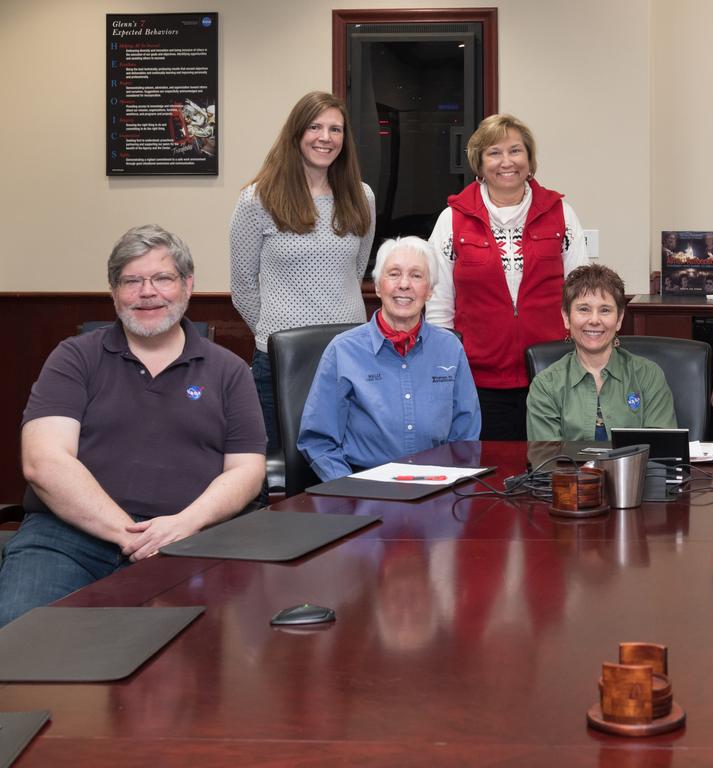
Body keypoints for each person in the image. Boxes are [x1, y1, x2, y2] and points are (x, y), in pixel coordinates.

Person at [0, 225, 266, 627]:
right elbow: (43, 460)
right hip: (66, 540)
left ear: (187, 284)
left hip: (190, 540)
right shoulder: (73, 359)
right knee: (21, 640)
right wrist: (130, 535)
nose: (147, 292)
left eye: (162, 278)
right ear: (113, 291)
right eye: (132, 281)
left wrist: (183, 525)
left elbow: (247, 471)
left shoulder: (228, 370)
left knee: (192, 659)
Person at [426, 113, 588, 441]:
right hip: (477, 381)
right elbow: (438, 306)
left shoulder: (560, 214)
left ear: (529, 160)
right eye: (494, 152)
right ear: (479, 162)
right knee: (489, 474)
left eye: (515, 151)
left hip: (553, 375)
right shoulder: (452, 219)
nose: (506, 162)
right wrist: (445, 373)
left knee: (552, 473)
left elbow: (582, 295)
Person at [230, 91, 376, 454]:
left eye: (335, 129)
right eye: (315, 127)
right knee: (279, 470)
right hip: (283, 361)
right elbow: (243, 287)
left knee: (347, 468)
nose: (325, 138)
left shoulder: (362, 197)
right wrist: (275, 335)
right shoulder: (257, 199)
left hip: (349, 356)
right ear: (296, 133)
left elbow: (355, 272)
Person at [298, 236, 481, 482]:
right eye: (394, 274)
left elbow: (465, 436)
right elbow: (318, 441)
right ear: (377, 286)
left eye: (417, 276)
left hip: (437, 489)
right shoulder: (342, 351)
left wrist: (450, 489)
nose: (404, 284)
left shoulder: (450, 348)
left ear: (430, 290)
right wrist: (349, 490)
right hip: (363, 489)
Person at [527, 265, 677, 441]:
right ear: (566, 317)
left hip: (636, 470)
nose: (595, 320)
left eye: (605, 310)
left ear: (619, 319)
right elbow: (546, 460)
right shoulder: (546, 386)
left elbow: (660, 454)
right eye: (584, 309)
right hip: (567, 470)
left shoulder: (648, 376)